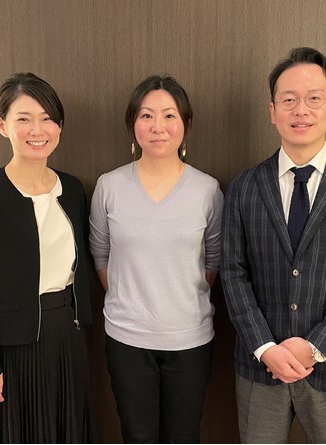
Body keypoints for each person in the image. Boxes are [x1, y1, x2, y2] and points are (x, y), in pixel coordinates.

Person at [221, 47, 326, 443]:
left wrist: (315, 347)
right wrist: (265, 346)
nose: (301, 110)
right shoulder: (244, 186)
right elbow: (232, 272)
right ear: (272, 111)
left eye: (314, 98)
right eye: (289, 100)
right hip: (260, 367)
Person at [0, 72, 94, 443]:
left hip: (66, 338)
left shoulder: (73, 189)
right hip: (8, 348)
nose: (38, 129)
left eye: (47, 118)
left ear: (59, 126)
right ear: (2, 126)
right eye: (24, 119)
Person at [89, 75, 223, 443]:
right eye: (147, 115)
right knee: (137, 435)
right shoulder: (109, 186)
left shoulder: (207, 189)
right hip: (127, 339)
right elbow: (100, 255)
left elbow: (213, 261)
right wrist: (132, 299)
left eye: (169, 115)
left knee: (184, 435)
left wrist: (176, 300)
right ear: (133, 124)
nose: (158, 126)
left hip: (190, 340)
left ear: (185, 124)